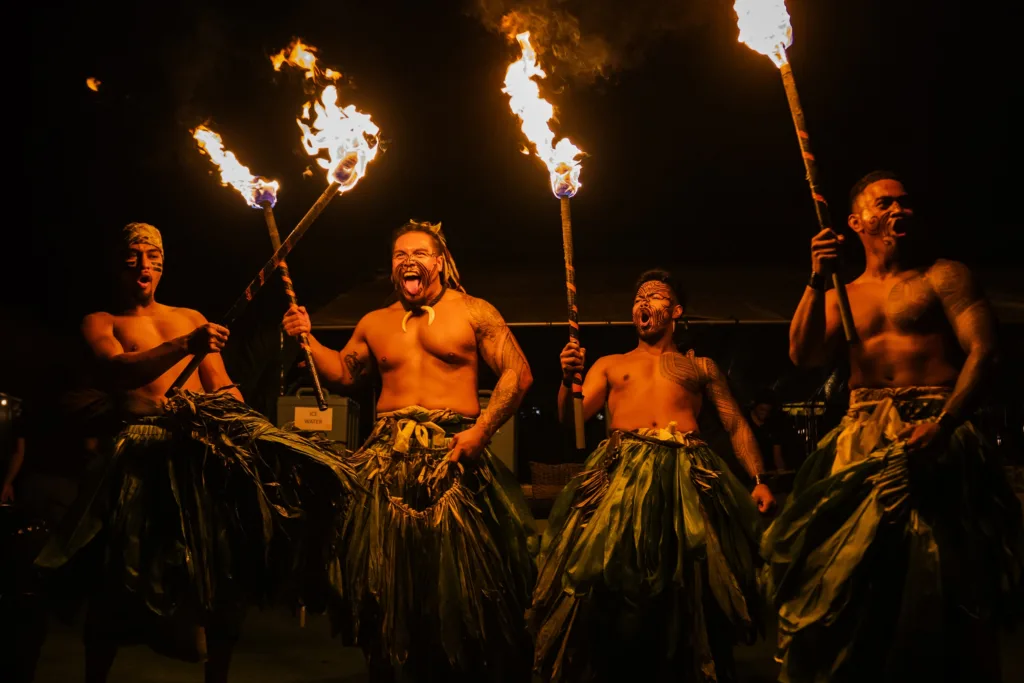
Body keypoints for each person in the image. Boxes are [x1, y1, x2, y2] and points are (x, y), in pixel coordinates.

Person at [36, 222, 356, 683]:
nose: (144, 265)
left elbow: (222, 387)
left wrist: (255, 433)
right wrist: (185, 345)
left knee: (219, 574)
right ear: (117, 265)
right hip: (136, 457)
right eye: (133, 256)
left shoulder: (190, 317)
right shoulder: (101, 322)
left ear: (163, 264)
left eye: (153, 256)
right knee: (116, 583)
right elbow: (117, 371)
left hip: (193, 456)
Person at [763, 171, 1024, 682]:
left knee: (942, 576)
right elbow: (803, 353)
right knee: (853, 580)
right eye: (884, 204)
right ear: (856, 222)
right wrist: (817, 277)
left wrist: (945, 425)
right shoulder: (844, 291)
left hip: (935, 426)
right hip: (861, 435)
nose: (899, 210)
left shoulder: (943, 275)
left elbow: (984, 351)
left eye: (905, 203)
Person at [282, 220, 536, 683]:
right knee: (386, 588)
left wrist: (481, 432)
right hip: (387, 461)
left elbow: (517, 375)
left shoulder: (474, 312)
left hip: (454, 455)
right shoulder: (374, 322)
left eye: (418, 253)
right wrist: (308, 337)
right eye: (400, 255)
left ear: (440, 261)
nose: (408, 261)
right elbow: (342, 372)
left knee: (464, 592)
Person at [529, 269, 776, 683]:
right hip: (621, 474)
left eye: (656, 296)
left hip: (687, 475)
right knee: (616, 586)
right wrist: (568, 379)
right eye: (638, 298)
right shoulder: (611, 365)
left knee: (689, 585)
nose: (643, 303)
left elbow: (735, 424)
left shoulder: (699, 367)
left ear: (676, 310)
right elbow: (571, 422)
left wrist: (757, 478)